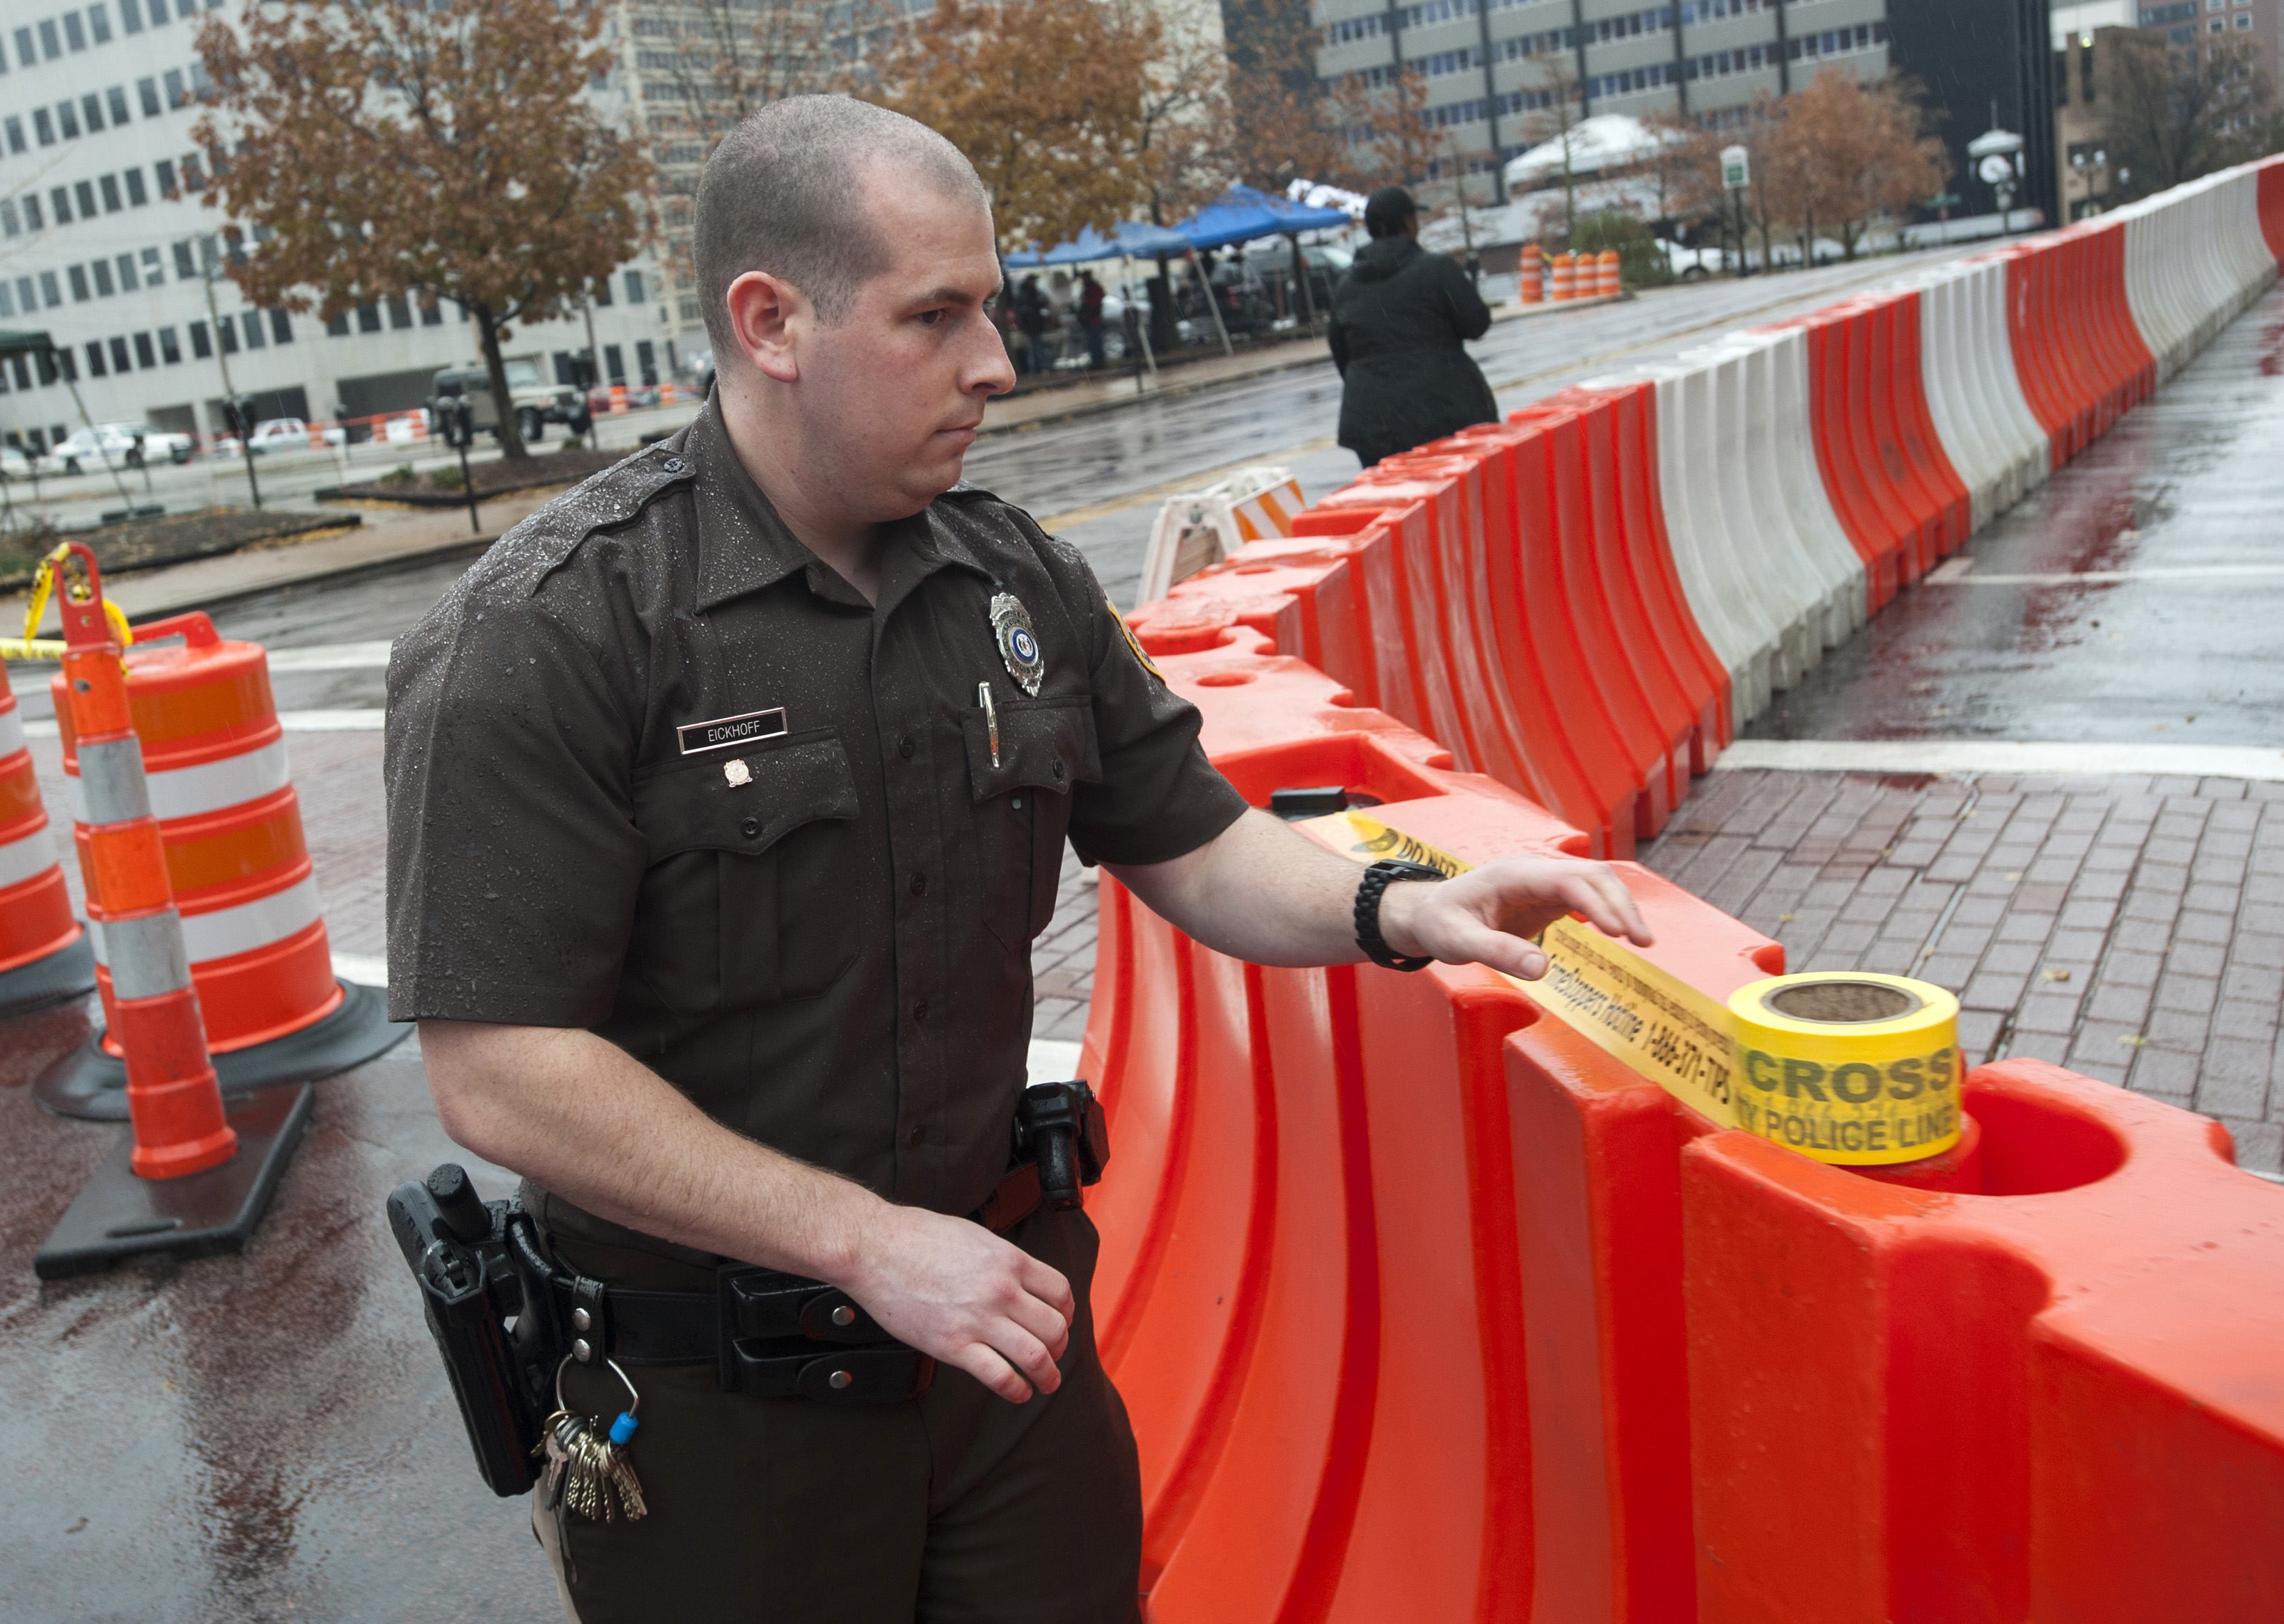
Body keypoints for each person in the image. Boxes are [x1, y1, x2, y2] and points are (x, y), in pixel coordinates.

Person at [384, 94, 1651, 1624]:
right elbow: (502, 1067)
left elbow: (1195, 844)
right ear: (772, 321)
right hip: (714, 1410)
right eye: (937, 315)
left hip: (1006, 1349)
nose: (996, 362)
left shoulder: (1014, 579)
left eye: (991, 307)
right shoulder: (552, 629)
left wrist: (1400, 904)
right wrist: (861, 1242)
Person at [1327, 184, 1499, 467]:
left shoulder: (1346, 285)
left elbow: (1341, 351)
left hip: (1373, 423)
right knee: (1456, 504)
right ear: (1408, 223)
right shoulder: (1436, 268)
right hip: (1445, 412)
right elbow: (1476, 324)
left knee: (1397, 505)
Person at [1011, 270, 1054, 374]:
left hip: (1032, 324)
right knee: (1035, 347)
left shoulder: (1029, 291)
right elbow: (1028, 308)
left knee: (1035, 347)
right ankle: (1036, 368)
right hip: (1031, 324)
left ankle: (1037, 368)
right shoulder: (1027, 292)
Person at [1077, 270, 1108, 368]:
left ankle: (1098, 362)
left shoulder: (1093, 288)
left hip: (1093, 319)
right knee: (1093, 342)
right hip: (1091, 319)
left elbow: (1092, 303)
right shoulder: (1089, 288)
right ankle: (1097, 362)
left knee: (1095, 342)